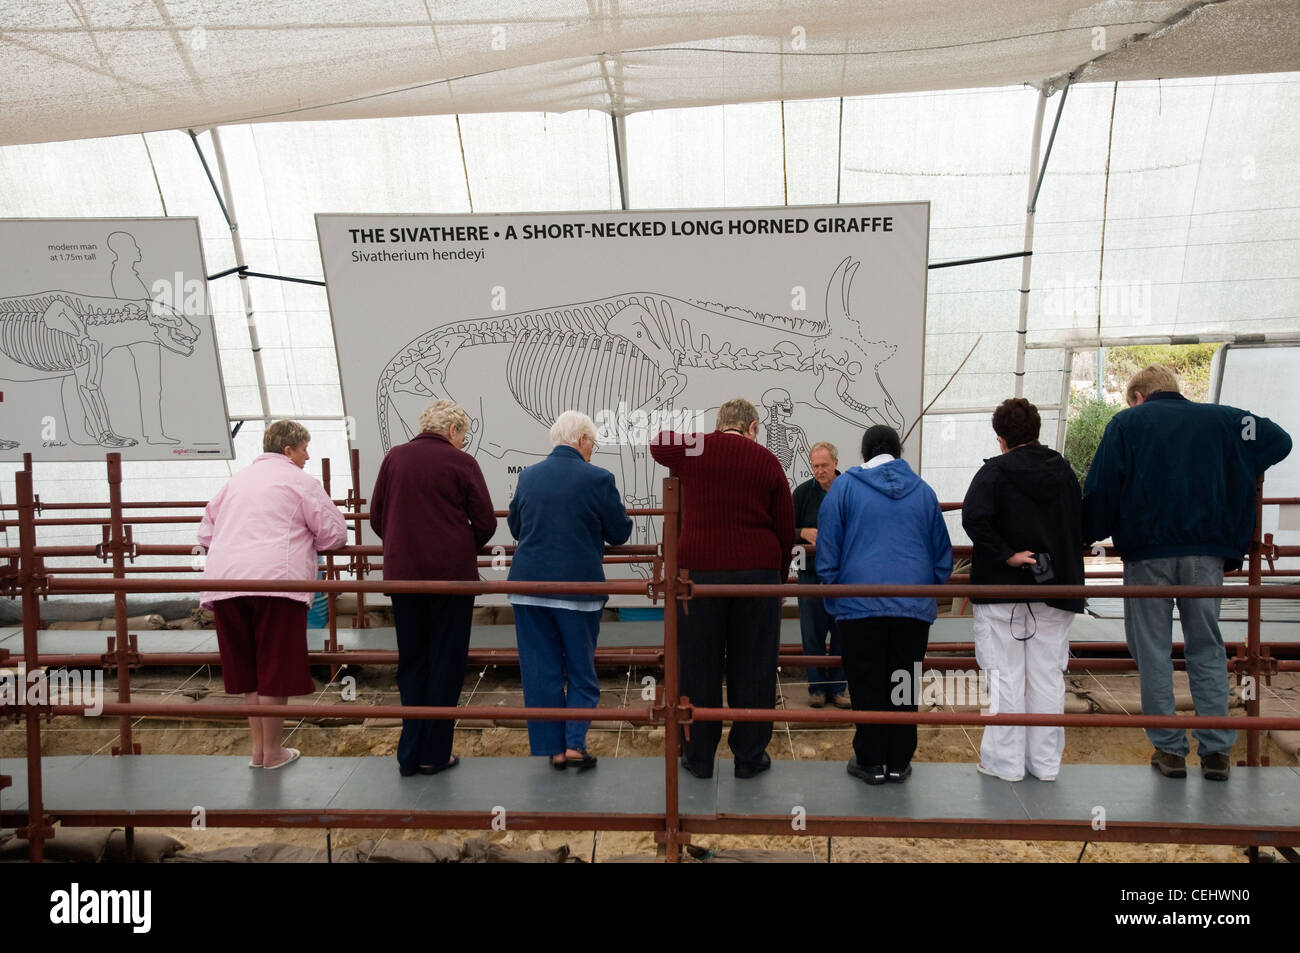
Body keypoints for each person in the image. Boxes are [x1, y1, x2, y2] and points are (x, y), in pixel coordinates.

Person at [1083, 365, 1291, 781]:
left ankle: (1170, 752)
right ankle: (1217, 752)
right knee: (1206, 647)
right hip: (1207, 555)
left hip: (1148, 556)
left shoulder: (1127, 424)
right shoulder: (1226, 420)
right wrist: (1243, 469)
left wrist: (1084, 533)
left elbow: (1102, 489)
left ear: (1138, 397)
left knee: (1153, 651)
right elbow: (1278, 440)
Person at [650, 397, 796, 779]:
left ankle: (698, 757)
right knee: (755, 665)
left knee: (699, 664)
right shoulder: (766, 460)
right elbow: (784, 524)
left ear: (719, 426)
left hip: (700, 574)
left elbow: (658, 443)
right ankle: (749, 758)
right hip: (758, 575)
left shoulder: (698, 448)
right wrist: (777, 577)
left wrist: (707, 439)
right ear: (751, 428)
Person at [198, 420, 347, 770]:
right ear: (288, 450)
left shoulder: (234, 482)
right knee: (274, 668)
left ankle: (258, 751)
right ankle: (274, 752)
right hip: (276, 583)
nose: (308, 456)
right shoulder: (300, 482)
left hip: (226, 584)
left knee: (248, 670)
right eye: (304, 449)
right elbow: (334, 534)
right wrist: (308, 543)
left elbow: (206, 533)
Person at [816, 425, 952, 785]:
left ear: (863, 455)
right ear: (899, 452)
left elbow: (827, 551)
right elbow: (943, 556)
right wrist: (926, 593)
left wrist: (836, 597)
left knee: (866, 684)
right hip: (912, 608)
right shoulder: (924, 492)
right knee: (903, 683)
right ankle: (899, 761)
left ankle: (871, 761)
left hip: (859, 606)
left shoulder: (844, 488)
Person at [371, 399, 496, 777]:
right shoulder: (462, 463)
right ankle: (434, 754)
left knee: (412, 664)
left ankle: (408, 755)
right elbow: (486, 522)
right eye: (465, 436)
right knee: (446, 663)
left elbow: (378, 517)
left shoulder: (394, 458)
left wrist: (403, 546)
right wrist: (459, 545)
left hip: (404, 578)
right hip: (451, 580)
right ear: (454, 431)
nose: (464, 442)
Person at [962, 398, 1084, 782]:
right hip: (1055, 590)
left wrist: (1008, 555)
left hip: (1002, 592)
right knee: (1048, 677)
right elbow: (1080, 520)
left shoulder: (993, 474)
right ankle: (1045, 765)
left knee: (1004, 677)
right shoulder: (1063, 471)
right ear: (1037, 430)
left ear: (1001, 438)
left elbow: (974, 519)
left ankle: (1005, 764)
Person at [508, 410, 633, 769]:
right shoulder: (598, 478)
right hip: (578, 591)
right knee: (580, 670)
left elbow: (516, 527)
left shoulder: (528, 476)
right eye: (592, 444)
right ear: (581, 440)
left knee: (541, 671)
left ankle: (554, 750)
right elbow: (619, 533)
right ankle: (575, 743)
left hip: (528, 588)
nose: (592, 451)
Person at [792, 441, 848, 708]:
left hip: (844, 574)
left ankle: (838, 688)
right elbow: (784, 529)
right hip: (810, 573)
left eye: (824, 465)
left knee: (842, 633)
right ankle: (816, 689)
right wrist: (802, 533)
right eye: (815, 466)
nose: (819, 471)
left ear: (836, 463)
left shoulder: (851, 490)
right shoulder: (802, 494)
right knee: (811, 634)